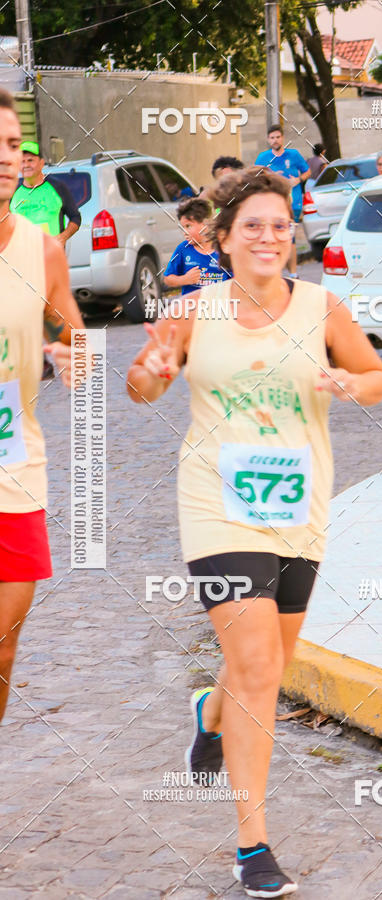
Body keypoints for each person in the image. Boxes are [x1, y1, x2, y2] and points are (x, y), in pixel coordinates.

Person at [127, 166, 382, 896]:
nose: (269, 237)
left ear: (290, 236)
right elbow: (145, 385)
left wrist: (350, 384)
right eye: (253, 226)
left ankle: (210, 715)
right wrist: (148, 369)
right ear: (225, 238)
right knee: (262, 673)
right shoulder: (195, 313)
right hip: (216, 505)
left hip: (298, 509)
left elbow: (375, 377)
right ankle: (254, 846)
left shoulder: (322, 308)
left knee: (263, 665)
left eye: (280, 225)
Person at [0, 87, 84, 722]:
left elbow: (72, 330)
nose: (6, 159)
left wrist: (69, 353)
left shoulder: (43, 247)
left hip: (14, 468)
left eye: (11, 145)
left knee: (3, 646)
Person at [10, 140, 81, 380]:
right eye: (23, 160)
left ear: (41, 163)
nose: (26, 164)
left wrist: (62, 237)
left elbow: (75, 218)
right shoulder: (12, 192)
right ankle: (40, 362)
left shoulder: (57, 187)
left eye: (31, 160)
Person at [255, 125, 310, 278]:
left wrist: (299, 179)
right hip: (271, 205)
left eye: (278, 137)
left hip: (293, 204)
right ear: (268, 140)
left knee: (289, 238)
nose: (275, 140)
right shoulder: (263, 158)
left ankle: (293, 274)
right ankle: (275, 274)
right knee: (274, 238)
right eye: (272, 138)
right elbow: (255, 178)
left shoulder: (294, 155)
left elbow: (307, 171)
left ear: (283, 138)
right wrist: (271, 177)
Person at [163, 197, 231, 295]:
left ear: (205, 224)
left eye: (188, 226)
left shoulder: (223, 248)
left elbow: (236, 280)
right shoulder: (183, 249)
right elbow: (167, 279)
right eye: (183, 228)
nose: (184, 232)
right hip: (192, 307)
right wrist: (185, 279)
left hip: (218, 305)